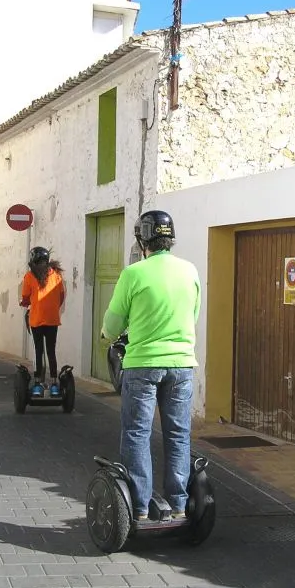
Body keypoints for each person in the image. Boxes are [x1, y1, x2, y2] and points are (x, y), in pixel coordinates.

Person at [101, 210, 201, 521]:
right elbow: (192, 315)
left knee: (137, 433)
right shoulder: (190, 271)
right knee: (178, 434)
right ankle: (181, 505)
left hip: (143, 365)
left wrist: (107, 334)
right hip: (182, 365)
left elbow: (113, 323)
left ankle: (141, 508)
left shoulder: (134, 274)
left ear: (142, 239)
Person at [19, 246, 66, 397]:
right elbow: (61, 297)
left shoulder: (29, 276)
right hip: (52, 320)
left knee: (39, 351)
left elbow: (25, 297)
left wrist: (26, 303)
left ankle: (38, 384)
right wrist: (51, 309)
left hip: (37, 320)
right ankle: (53, 384)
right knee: (51, 351)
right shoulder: (57, 275)